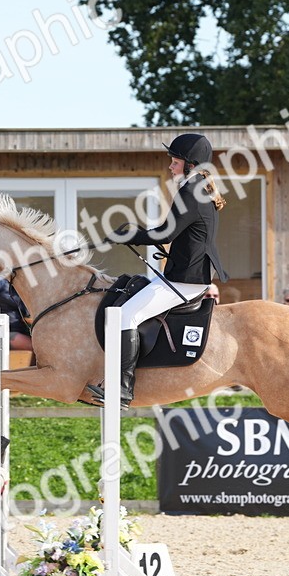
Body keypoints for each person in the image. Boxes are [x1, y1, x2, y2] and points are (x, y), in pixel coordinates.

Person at [88, 133, 228, 405]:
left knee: (124, 315)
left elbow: (166, 232)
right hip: (187, 273)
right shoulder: (197, 188)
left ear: (190, 164)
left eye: (175, 162)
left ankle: (123, 388)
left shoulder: (190, 191)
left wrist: (129, 235)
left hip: (187, 278)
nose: (170, 167)